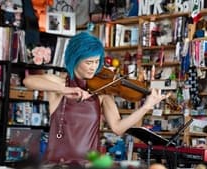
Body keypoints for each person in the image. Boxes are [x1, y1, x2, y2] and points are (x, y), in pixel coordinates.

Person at [23, 32, 169, 167]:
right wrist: (65, 90)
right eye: (89, 62)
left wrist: (146, 107)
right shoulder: (60, 85)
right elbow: (28, 81)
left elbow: (118, 128)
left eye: (97, 62)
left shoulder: (103, 93)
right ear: (75, 59)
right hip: (58, 164)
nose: (94, 67)